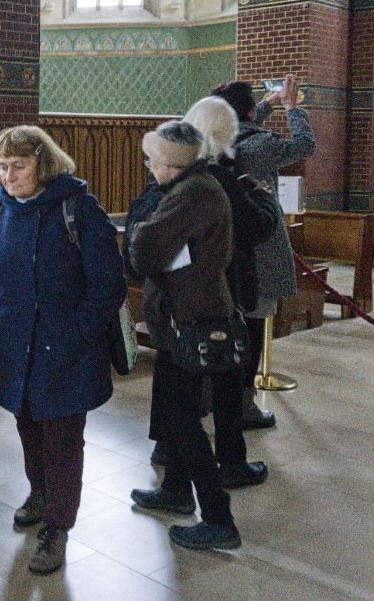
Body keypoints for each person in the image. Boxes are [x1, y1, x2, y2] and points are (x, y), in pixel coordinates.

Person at [0, 126, 125, 575]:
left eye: (18, 166)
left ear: (45, 163)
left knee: (62, 441)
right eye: (2, 167)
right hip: (14, 347)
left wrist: (75, 334)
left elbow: (108, 286)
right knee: (28, 428)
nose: (8, 175)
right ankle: (39, 493)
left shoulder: (80, 210)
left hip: (67, 351)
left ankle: (57, 526)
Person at [127, 121, 242, 551]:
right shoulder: (198, 186)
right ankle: (176, 490)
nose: (149, 167)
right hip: (185, 315)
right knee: (179, 407)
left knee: (181, 417)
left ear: (172, 163)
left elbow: (144, 251)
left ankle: (218, 517)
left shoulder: (192, 193)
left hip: (191, 318)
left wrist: (139, 232)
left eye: (152, 161)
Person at [178, 97, 282, 489]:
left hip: (181, 291)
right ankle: (231, 464)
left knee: (180, 377)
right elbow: (255, 226)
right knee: (225, 378)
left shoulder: (173, 170)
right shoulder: (219, 177)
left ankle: (169, 455)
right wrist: (264, 197)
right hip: (219, 290)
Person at [213, 75, 316, 428]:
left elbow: (239, 120)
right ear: (247, 111)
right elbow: (305, 145)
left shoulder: (212, 139)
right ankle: (244, 405)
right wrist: (292, 108)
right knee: (254, 325)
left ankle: (212, 397)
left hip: (220, 244)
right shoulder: (263, 144)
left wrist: (269, 104)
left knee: (221, 324)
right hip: (260, 243)